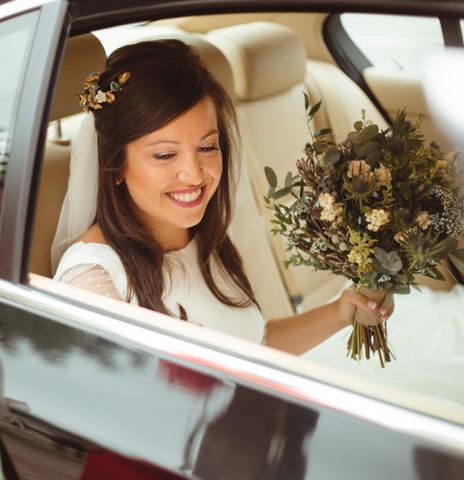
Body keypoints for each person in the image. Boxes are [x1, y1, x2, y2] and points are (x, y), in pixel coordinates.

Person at [51, 39, 392, 355]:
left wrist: (340, 311)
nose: (195, 174)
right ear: (116, 165)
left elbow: (250, 349)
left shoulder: (200, 235)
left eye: (207, 147)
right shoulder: (95, 285)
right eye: (165, 155)